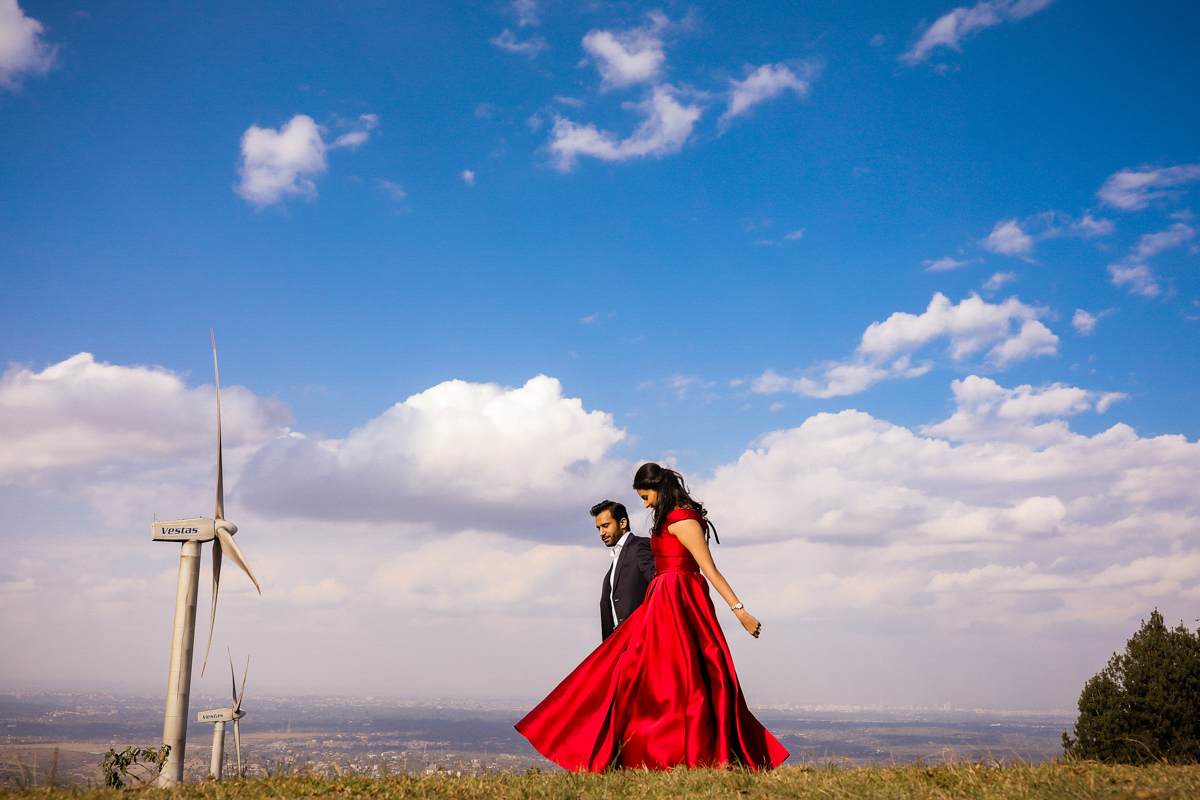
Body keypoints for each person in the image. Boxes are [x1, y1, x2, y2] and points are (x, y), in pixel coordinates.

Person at [516, 463, 788, 772]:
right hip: (660, 603)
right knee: (638, 675)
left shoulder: (685, 521)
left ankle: (697, 755)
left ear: (660, 489)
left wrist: (741, 612)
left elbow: (709, 570)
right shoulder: (665, 521)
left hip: (681, 599)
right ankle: (634, 753)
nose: (645, 504)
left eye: (646, 496)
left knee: (693, 678)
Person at [592, 500, 656, 641]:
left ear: (622, 523)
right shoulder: (616, 557)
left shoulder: (639, 546)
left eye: (605, 526)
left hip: (640, 639)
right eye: (598, 528)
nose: (602, 533)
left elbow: (658, 584)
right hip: (618, 642)